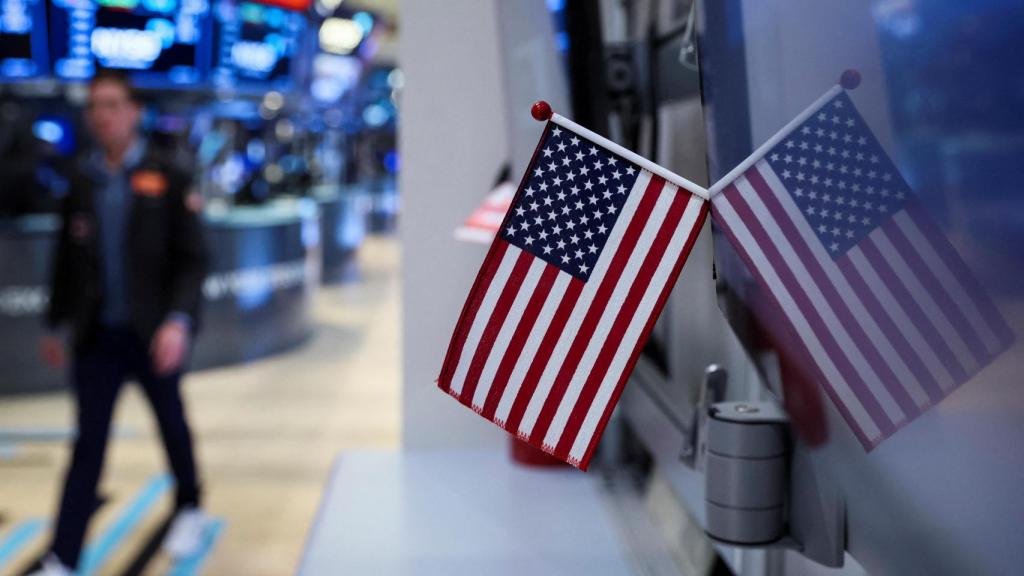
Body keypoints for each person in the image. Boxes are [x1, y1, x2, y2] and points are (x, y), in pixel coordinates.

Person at [34, 70, 210, 575]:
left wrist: (178, 321)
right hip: (97, 336)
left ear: (134, 111)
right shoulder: (83, 179)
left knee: (172, 425)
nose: (102, 115)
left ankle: (190, 506)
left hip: (154, 333)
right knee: (87, 444)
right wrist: (55, 323)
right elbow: (67, 258)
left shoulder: (168, 174)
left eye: (112, 104)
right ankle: (63, 554)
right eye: (95, 106)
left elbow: (192, 258)